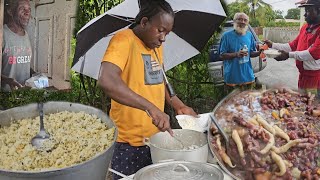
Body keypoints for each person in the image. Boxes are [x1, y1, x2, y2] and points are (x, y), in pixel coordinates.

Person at [97, 1, 197, 179]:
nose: (163, 38)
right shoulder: (123, 40)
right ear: (144, 22)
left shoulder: (156, 46)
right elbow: (107, 80)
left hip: (155, 141)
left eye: (167, 33)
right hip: (127, 144)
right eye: (160, 30)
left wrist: (179, 106)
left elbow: (160, 80)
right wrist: (151, 107)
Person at [264, 0, 320, 98]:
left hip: (314, 77)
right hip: (302, 75)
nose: (305, 14)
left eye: (308, 11)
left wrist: (288, 55)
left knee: (311, 103)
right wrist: (273, 45)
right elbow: (292, 45)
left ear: (318, 10)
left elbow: (313, 53)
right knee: (302, 101)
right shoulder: (305, 27)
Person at [219, 12, 262, 92]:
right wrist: (236, 54)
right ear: (234, 21)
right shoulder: (226, 36)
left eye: (245, 20)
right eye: (240, 19)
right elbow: (222, 55)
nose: (242, 22)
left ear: (247, 23)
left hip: (248, 76)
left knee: (248, 100)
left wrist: (259, 53)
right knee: (233, 103)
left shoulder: (249, 35)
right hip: (232, 77)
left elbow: (251, 53)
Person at [1, 0, 33, 92]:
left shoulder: (25, 35)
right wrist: (8, 80)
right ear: (10, 11)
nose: (27, 13)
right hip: (5, 98)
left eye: (29, 9)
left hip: (24, 94)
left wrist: (34, 73)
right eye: (22, 9)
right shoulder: (2, 35)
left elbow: (21, 63)